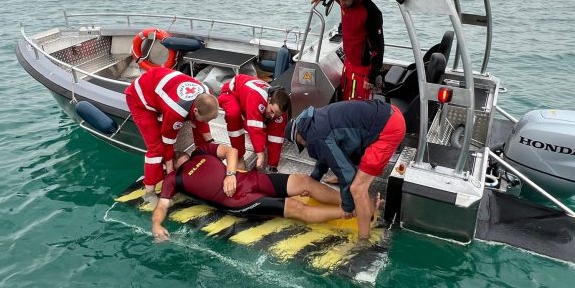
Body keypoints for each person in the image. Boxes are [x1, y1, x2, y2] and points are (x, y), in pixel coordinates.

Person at [151, 142, 345, 241]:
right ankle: (349, 212)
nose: (178, 153)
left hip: (248, 179)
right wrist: (157, 225)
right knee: (295, 207)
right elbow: (162, 206)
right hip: (237, 199)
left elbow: (231, 151)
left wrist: (230, 174)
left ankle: (348, 200)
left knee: (304, 181)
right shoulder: (173, 179)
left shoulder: (200, 151)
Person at [284, 100, 405, 240]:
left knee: (356, 188)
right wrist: (313, 180)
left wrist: (347, 207)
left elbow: (346, 172)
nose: (304, 145)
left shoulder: (316, 136)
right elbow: (324, 154)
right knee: (349, 173)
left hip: (388, 127)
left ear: (298, 137)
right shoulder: (313, 121)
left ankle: (364, 241)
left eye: (301, 143)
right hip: (388, 114)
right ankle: (366, 203)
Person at [125, 66, 220, 207]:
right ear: (195, 110)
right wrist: (171, 174)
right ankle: (149, 193)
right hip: (139, 97)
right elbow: (168, 144)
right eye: (207, 119)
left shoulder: (207, 95)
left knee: (200, 125)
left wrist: (211, 146)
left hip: (160, 84)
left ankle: (201, 158)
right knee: (156, 149)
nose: (207, 122)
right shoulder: (176, 111)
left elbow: (202, 124)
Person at [311, 0, 384, 101]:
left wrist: (371, 78)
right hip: (348, 64)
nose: (342, 4)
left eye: (344, 0)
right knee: (345, 99)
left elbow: (378, 49)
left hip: (363, 69)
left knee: (358, 106)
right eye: (339, 0)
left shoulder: (371, 13)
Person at [217, 74, 291, 172]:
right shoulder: (256, 97)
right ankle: (239, 156)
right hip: (231, 92)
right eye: (272, 111)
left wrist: (272, 166)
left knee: (268, 130)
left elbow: (277, 138)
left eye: (276, 115)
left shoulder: (280, 111)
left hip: (248, 98)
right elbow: (255, 128)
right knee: (234, 115)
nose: (273, 116)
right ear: (269, 100)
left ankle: (246, 120)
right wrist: (260, 155)